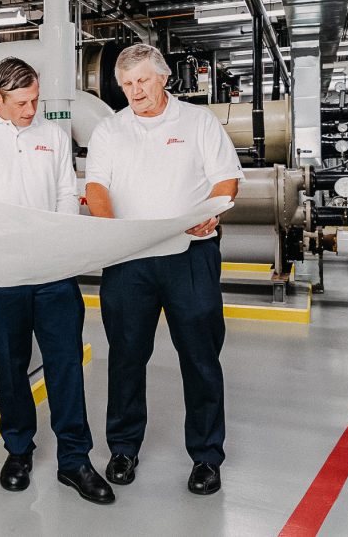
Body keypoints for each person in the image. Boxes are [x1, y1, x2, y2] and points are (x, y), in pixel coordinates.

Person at [0, 57, 114, 505]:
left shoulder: (52, 136)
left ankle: (75, 459)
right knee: (11, 364)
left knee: (65, 363)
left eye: (34, 99)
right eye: (21, 102)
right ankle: (18, 450)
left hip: (52, 270)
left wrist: (60, 236)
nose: (30, 110)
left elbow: (62, 193)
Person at [84, 43, 243, 496]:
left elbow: (225, 179)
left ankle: (207, 457)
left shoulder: (198, 122)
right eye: (127, 84)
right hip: (129, 259)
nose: (136, 91)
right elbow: (97, 186)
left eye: (143, 81)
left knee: (200, 357)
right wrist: (110, 230)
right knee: (127, 357)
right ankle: (123, 448)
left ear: (164, 78)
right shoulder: (109, 131)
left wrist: (215, 210)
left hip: (190, 255)